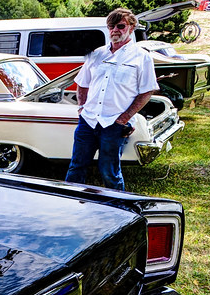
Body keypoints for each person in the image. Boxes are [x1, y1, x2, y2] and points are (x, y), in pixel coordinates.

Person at [64, 7, 157, 191]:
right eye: (111, 26)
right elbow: (82, 83)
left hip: (114, 124)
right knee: (76, 167)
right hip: (88, 121)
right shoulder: (97, 53)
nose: (115, 30)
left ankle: (118, 210)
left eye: (120, 26)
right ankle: (70, 207)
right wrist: (82, 108)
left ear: (131, 27)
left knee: (109, 171)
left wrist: (124, 118)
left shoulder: (142, 57)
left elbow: (147, 91)